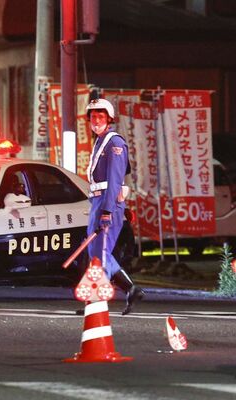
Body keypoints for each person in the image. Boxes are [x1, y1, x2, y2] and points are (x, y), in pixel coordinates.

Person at [85, 97, 143, 315]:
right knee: (97, 252)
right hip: (98, 201)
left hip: (108, 203)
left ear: (109, 119)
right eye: (93, 116)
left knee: (99, 253)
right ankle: (131, 289)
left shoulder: (115, 143)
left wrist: (107, 211)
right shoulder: (100, 141)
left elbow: (115, 179)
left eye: (100, 117)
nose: (96, 120)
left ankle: (96, 303)